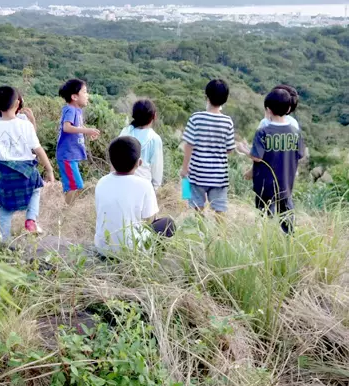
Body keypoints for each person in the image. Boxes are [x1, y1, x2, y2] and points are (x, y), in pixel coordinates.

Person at [0, 86, 55, 242]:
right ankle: (30, 220)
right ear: (17, 103)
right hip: (28, 173)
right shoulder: (26, 125)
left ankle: (5, 240)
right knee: (36, 190)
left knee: (4, 210)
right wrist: (49, 169)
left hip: (6, 176)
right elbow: (38, 149)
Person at [94, 136, 175, 256]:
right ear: (139, 163)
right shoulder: (144, 185)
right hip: (131, 249)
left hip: (103, 247)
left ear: (111, 161)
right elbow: (149, 220)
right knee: (168, 223)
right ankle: (154, 257)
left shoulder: (101, 182)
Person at [247, 88, 305, 233]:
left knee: (264, 216)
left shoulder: (263, 131)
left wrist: (244, 150)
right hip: (285, 183)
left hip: (264, 185)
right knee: (286, 215)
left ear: (268, 109)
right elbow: (300, 154)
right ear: (289, 108)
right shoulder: (295, 132)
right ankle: (288, 242)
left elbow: (256, 157)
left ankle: (264, 241)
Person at [180, 79, 236, 219]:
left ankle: (200, 234)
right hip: (219, 176)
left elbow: (189, 145)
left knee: (197, 208)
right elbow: (229, 149)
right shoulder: (227, 121)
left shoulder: (196, 118)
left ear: (206, 97)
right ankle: (220, 236)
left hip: (197, 173)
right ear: (225, 100)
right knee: (220, 211)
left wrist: (184, 168)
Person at [56, 79, 101, 204]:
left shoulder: (77, 111)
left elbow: (75, 131)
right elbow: (67, 127)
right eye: (85, 92)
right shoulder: (70, 109)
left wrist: (87, 133)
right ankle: (66, 211)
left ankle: (68, 209)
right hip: (67, 155)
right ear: (74, 96)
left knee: (75, 185)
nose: (87, 95)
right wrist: (87, 130)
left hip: (71, 155)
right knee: (75, 185)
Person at [119, 99, 164, 190]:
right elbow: (157, 168)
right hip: (144, 185)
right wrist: (155, 187)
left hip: (123, 183)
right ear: (154, 116)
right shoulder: (154, 138)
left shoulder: (125, 132)